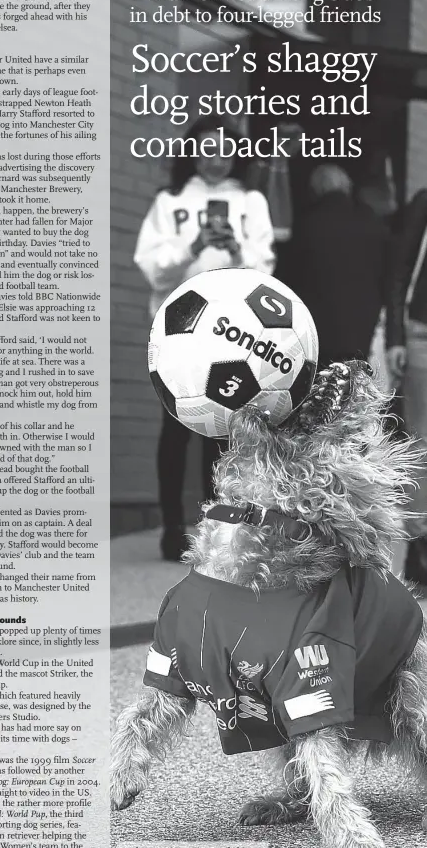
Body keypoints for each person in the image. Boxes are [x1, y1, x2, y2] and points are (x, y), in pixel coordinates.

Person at [134, 117, 275, 561]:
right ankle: (172, 525)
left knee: (222, 428)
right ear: (192, 151)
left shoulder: (250, 201)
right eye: (206, 147)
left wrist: (235, 250)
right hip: (179, 330)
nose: (216, 156)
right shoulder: (171, 201)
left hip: (232, 331)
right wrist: (192, 247)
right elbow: (152, 266)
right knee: (175, 427)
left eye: (225, 148)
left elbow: (265, 269)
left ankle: (218, 525)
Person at [283, 165, 391, 368]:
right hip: (364, 327)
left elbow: (290, 279)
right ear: (347, 187)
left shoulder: (306, 225)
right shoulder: (373, 223)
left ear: (315, 191)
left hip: (317, 331)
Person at [386, 189, 427, 585]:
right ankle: (420, 548)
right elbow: (400, 272)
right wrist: (395, 336)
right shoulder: (424, 202)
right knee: (420, 441)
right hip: (422, 336)